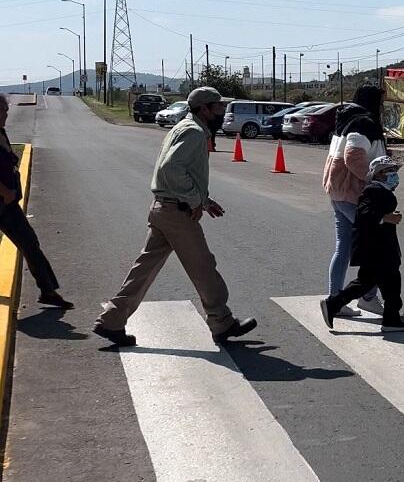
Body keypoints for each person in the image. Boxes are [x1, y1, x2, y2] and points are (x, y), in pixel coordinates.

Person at [94, 86, 257, 347]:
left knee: (144, 269)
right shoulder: (193, 132)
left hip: (164, 208)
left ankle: (111, 320)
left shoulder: (184, 127)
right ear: (204, 108)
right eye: (218, 106)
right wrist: (194, 200)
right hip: (177, 213)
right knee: (204, 268)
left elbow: (178, 170)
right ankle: (222, 322)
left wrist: (203, 200)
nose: (222, 111)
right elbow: (172, 168)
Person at [0, 94, 72, 309]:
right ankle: (48, 290)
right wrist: (4, 190)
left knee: (30, 243)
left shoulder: (1, 132)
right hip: (3, 201)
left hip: (8, 205)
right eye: (2, 112)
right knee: (29, 243)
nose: (6, 115)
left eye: (6, 111)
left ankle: (47, 291)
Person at [320, 156, 404, 333]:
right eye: (389, 171)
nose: (394, 175)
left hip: (380, 249)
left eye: (394, 171)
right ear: (379, 174)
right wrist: (385, 217)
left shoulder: (382, 190)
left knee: (379, 282)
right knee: (379, 282)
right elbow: (363, 215)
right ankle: (334, 303)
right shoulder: (373, 190)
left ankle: (391, 319)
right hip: (377, 250)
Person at [322, 85, 387, 318]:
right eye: (381, 102)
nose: (382, 107)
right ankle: (367, 297)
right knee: (379, 246)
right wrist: (374, 176)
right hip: (353, 193)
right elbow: (352, 156)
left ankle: (335, 299)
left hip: (338, 190)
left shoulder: (348, 118)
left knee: (344, 246)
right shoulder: (364, 122)